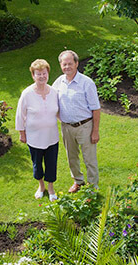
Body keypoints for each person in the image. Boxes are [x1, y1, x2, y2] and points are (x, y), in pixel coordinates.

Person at [52, 50, 101, 193]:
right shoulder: (58, 82)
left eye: (70, 64)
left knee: (89, 159)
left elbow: (96, 109)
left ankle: (92, 188)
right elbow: (51, 101)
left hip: (85, 126)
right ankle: (78, 181)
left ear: (76, 64)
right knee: (71, 158)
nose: (67, 67)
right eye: (64, 64)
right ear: (61, 65)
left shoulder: (87, 83)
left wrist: (95, 131)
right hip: (66, 127)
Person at [16, 59, 60, 201]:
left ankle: (51, 188)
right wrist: (22, 133)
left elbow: (59, 112)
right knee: (37, 164)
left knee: (51, 163)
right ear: (33, 76)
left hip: (52, 136)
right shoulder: (27, 94)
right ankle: (41, 186)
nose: (42, 76)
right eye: (38, 74)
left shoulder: (54, 92)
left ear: (48, 74)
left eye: (44, 73)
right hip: (34, 137)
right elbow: (20, 114)